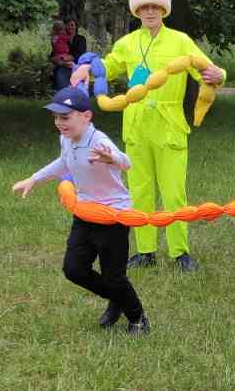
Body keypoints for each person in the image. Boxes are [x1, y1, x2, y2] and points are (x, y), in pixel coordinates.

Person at [72, 0, 225, 275]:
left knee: (173, 192)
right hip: (137, 127)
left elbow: (207, 70)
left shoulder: (180, 41)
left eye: (155, 6)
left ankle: (180, 252)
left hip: (169, 127)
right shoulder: (127, 43)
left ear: (164, 7)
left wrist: (218, 75)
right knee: (139, 190)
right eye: (145, 6)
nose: (150, 11)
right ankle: (144, 250)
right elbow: (108, 66)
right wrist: (88, 68)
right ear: (137, 8)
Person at [11, 85, 149, 335]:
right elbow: (63, 162)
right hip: (85, 213)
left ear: (86, 116)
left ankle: (137, 317)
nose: (59, 123)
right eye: (56, 117)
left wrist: (111, 158)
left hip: (113, 216)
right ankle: (118, 298)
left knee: (114, 277)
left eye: (65, 117)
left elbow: (126, 162)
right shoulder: (65, 138)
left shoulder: (99, 141)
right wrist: (34, 178)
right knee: (74, 270)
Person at [50, 19, 72, 91]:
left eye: (61, 29)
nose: (61, 31)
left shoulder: (62, 36)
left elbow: (68, 39)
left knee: (64, 62)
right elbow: (53, 44)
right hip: (59, 53)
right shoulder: (55, 37)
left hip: (63, 53)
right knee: (59, 62)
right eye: (59, 29)